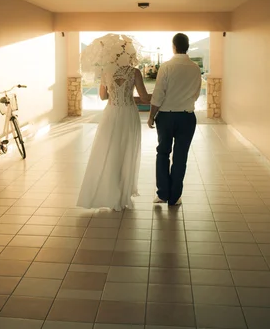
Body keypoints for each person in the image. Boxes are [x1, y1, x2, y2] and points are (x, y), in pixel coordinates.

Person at [77, 38, 151, 211]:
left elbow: (103, 97)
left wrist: (117, 95)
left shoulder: (105, 72)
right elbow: (145, 98)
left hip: (111, 114)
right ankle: (122, 194)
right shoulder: (134, 72)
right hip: (128, 113)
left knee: (109, 151)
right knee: (126, 151)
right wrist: (161, 97)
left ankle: (110, 192)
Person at [147, 33, 202, 206]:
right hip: (187, 117)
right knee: (180, 157)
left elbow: (158, 94)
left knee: (163, 153)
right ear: (187, 46)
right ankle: (175, 197)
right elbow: (196, 93)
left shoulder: (167, 66)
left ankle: (162, 193)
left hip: (166, 116)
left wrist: (151, 116)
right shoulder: (195, 68)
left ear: (173, 46)